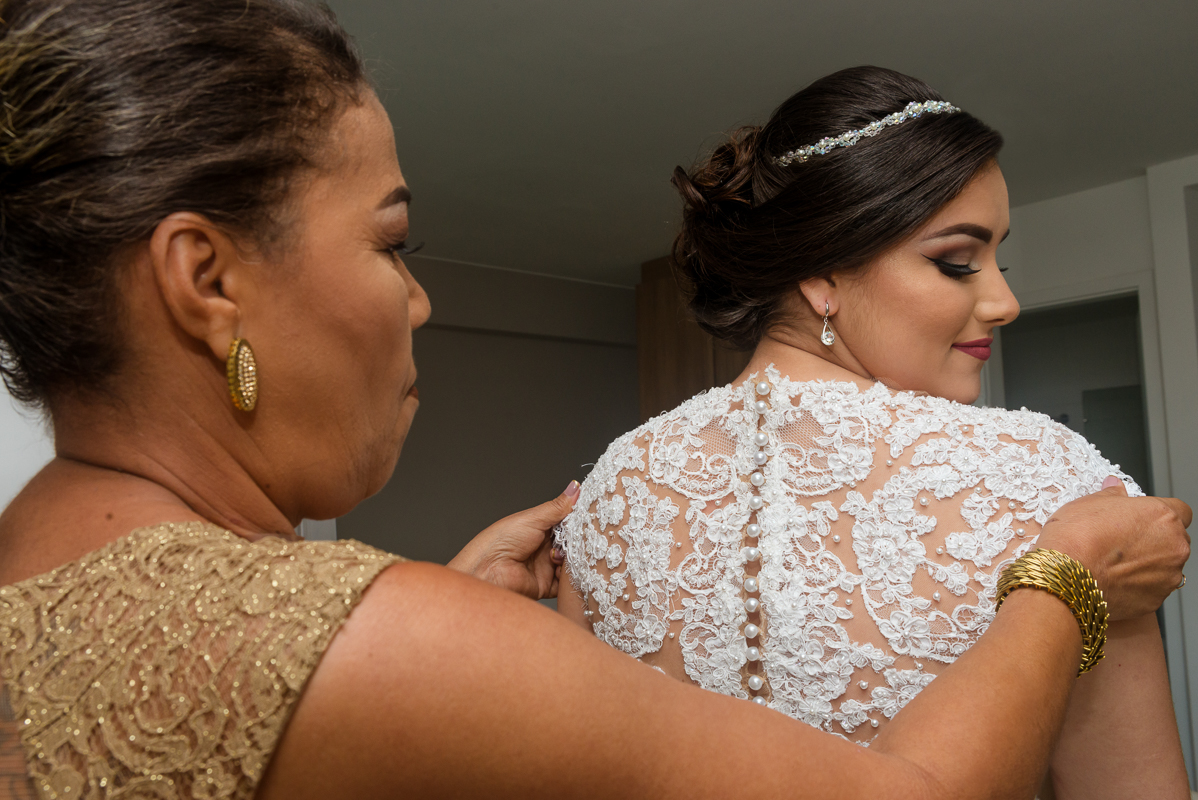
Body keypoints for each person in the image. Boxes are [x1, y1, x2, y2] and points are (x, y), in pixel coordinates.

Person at [0, 5, 1188, 799]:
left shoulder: (607, 492)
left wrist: (437, 633)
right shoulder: (1049, 483)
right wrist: (1062, 571)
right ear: (206, 279)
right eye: (394, 242)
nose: (418, 302)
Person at [555, 66, 1191, 798]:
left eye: (998, 259)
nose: (1006, 301)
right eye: (957, 262)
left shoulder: (613, 488)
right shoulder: (1047, 481)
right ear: (821, 275)